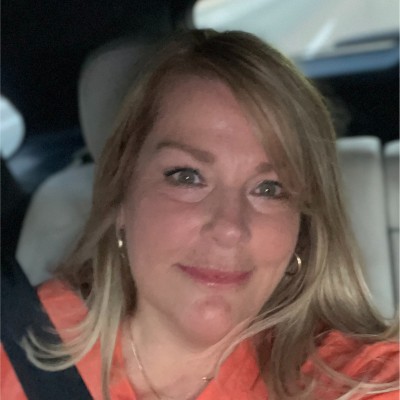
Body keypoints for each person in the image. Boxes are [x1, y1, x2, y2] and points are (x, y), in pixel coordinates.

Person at [1, 29, 399, 400]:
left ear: (302, 227)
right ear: (121, 195)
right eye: (187, 177)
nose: (230, 228)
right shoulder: (19, 341)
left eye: (269, 189)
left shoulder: (358, 378)